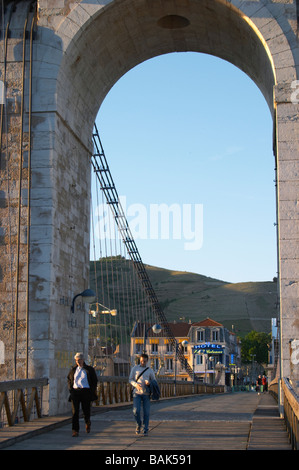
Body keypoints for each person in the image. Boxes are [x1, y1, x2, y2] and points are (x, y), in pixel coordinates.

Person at [67, 352, 98, 437]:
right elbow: (69, 379)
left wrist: (91, 391)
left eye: (79, 360)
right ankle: (75, 430)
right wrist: (71, 389)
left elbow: (94, 381)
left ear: (83, 360)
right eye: (76, 360)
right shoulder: (73, 369)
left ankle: (87, 422)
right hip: (75, 392)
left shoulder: (89, 369)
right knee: (75, 412)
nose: (78, 362)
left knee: (86, 411)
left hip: (86, 392)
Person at [129, 353, 155, 436]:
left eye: (144, 361)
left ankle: (145, 429)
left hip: (146, 394)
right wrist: (135, 384)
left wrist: (149, 382)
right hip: (136, 393)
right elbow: (130, 379)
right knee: (136, 411)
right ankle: (138, 424)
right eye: (141, 361)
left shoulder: (150, 370)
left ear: (147, 361)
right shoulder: (135, 369)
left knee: (146, 412)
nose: (142, 362)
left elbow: (154, 382)